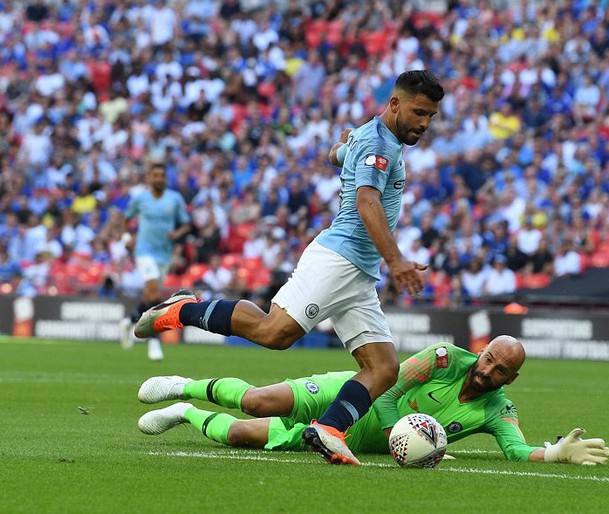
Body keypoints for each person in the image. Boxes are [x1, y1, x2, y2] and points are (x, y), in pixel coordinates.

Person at [134, 70, 445, 464]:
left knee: (383, 368)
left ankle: (329, 429)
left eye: (431, 116)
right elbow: (367, 202)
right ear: (395, 103)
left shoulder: (376, 140)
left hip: (359, 273)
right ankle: (182, 309)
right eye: (419, 112)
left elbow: (338, 153)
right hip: (339, 259)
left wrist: (341, 149)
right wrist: (396, 260)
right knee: (274, 332)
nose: (424, 123)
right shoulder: (379, 145)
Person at [137, 335, 609, 466]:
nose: (487, 370)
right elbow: (390, 385)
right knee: (259, 401)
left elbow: (514, 449)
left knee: (240, 434)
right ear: (482, 350)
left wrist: (553, 452)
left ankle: (186, 414)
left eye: (499, 370)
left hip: (350, 441)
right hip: (352, 393)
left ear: (513, 377)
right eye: (487, 359)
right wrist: (391, 432)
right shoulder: (443, 358)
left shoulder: (496, 410)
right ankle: (184, 385)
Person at [120, 162, 191, 361]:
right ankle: (153, 341)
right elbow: (126, 219)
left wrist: (176, 233)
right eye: (155, 175)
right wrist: (128, 237)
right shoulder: (140, 199)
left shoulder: (174, 199)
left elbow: (186, 224)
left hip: (164, 254)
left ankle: (129, 320)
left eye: (162, 175)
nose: (159, 178)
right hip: (144, 251)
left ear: (165, 179)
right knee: (155, 292)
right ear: (149, 178)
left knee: (150, 295)